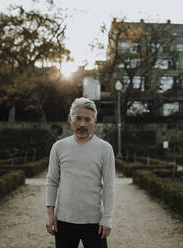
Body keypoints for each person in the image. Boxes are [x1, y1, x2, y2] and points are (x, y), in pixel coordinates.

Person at [46, 97, 115, 248]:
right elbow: (52, 181)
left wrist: (107, 218)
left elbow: (109, 186)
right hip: (64, 222)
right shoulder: (59, 147)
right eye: (78, 118)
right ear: (70, 119)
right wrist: (51, 214)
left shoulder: (105, 149)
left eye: (87, 119)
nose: (82, 124)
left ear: (94, 121)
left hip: (94, 222)